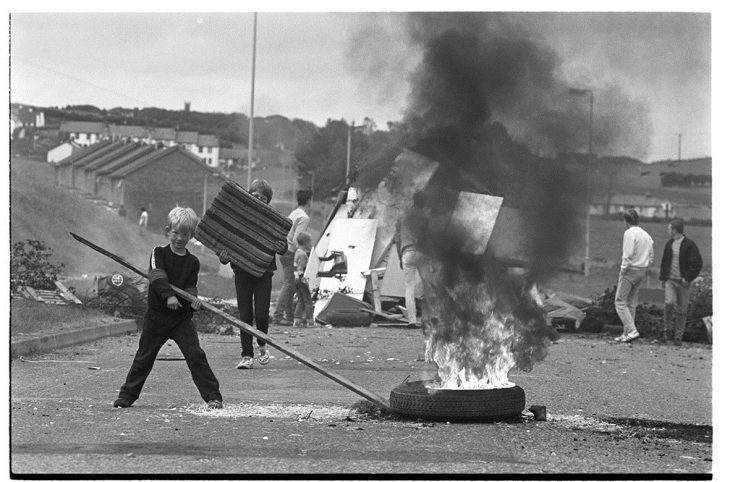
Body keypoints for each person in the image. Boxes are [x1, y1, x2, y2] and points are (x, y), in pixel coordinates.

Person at [113, 207, 223, 409]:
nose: (180, 238)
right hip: (157, 317)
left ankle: (213, 397)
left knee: (196, 356)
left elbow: (191, 286)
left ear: (191, 235)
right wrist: (169, 296)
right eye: (175, 233)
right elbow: (157, 275)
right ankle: (126, 396)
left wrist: (193, 301)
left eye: (185, 234)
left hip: (181, 320)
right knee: (144, 357)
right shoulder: (159, 253)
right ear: (167, 231)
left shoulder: (192, 262)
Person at [218, 179, 283, 369]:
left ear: (268, 202)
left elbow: (282, 244)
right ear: (248, 196)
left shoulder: (272, 221)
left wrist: (282, 246)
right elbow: (226, 246)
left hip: (264, 272)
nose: (259, 200)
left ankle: (262, 344)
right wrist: (223, 257)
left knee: (262, 314)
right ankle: (247, 355)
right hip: (241, 272)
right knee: (245, 315)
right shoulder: (237, 219)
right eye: (255, 196)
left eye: (263, 198)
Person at [658, 219, 703, 346]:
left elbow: (697, 263)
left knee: (682, 310)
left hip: (684, 283)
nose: (667, 231)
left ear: (674, 230)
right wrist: (663, 278)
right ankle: (667, 330)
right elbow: (664, 262)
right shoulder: (669, 244)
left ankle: (678, 337)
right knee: (669, 303)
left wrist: (687, 278)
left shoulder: (690, 245)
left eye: (669, 228)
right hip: (670, 281)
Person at [272, 189, 312, 325]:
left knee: (290, 285)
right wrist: (302, 253)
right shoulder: (304, 217)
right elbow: (297, 239)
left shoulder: (294, 213)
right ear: (309, 201)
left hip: (284, 250)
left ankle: (288, 317)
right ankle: (277, 316)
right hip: (291, 252)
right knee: (289, 284)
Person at [613, 209, 654, 343]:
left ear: (626, 220)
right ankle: (627, 334)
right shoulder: (647, 235)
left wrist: (623, 270)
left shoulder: (629, 233)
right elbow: (651, 256)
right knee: (631, 303)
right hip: (642, 270)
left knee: (620, 302)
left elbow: (627, 254)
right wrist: (645, 265)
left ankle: (631, 330)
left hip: (630, 270)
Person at [395, 191, 430, 326]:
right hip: (422, 253)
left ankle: (412, 320)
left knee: (409, 287)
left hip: (406, 252)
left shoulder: (403, 216)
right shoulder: (424, 217)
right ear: (423, 202)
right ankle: (428, 319)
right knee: (427, 286)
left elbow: (397, 239)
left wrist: (399, 257)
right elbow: (428, 238)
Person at [292, 231, 315, 327]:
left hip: (296, 279)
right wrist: (304, 280)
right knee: (308, 300)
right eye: (310, 242)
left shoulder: (297, 252)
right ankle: (310, 320)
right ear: (306, 243)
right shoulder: (303, 255)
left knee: (300, 300)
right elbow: (300, 269)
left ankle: (297, 320)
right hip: (301, 279)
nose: (311, 244)